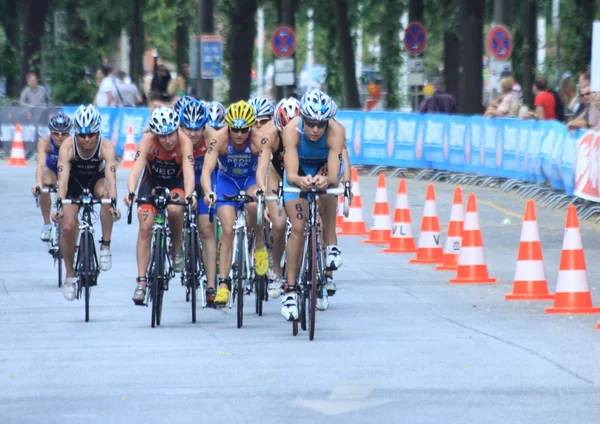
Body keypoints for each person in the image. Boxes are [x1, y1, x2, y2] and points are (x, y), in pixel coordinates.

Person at [279, 89, 345, 321]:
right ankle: (290, 290)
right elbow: (290, 173)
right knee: (297, 228)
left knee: (327, 194)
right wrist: (301, 181)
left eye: (321, 124)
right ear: (302, 119)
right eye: (310, 124)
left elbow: (335, 176)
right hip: (298, 172)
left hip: (324, 169)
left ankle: (330, 244)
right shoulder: (291, 130)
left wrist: (325, 181)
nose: (315, 129)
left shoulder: (336, 131)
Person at [200, 100, 274, 307]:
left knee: (254, 204)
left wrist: (262, 191)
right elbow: (206, 171)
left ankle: (259, 244)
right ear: (229, 127)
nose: (239, 134)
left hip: (250, 179)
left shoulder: (260, 140)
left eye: (244, 130)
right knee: (228, 230)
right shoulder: (219, 139)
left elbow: (263, 170)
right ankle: (223, 284)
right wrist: (208, 192)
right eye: (235, 129)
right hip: (227, 182)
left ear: (250, 127)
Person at [124, 106, 196, 305]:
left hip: (176, 182)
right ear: (155, 134)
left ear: (176, 129)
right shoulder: (147, 141)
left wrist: (189, 195)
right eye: (162, 136)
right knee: (145, 226)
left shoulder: (184, 142)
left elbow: (189, 172)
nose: (167, 140)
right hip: (152, 183)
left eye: (171, 133)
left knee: (174, 209)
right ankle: (141, 282)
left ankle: (177, 247)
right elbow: (136, 170)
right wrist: (130, 191)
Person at [52, 105, 120, 301]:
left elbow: (111, 178)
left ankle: (105, 245)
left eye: (91, 135)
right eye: (82, 136)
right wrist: (59, 205)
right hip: (74, 182)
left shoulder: (106, 147)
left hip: (95, 180)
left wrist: (113, 203)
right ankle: (70, 275)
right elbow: (62, 180)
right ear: (75, 133)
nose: (87, 140)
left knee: (106, 195)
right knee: (67, 227)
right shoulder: (67, 146)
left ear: (98, 132)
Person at [178, 99, 219, 304]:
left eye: (197, 129)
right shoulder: (174, 136)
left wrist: (208, 191)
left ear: (205, 126)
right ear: (180, 125)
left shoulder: (212, 136)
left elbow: (211, 169)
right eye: (188, 128)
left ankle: (211, 285)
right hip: (182, 178)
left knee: (206, 229)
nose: (193, 133)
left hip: (205, 178)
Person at [33, 112, 72, 241]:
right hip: (51, 170)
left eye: (64, 133)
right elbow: (40, 164)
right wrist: (38, 182)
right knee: (44, 183)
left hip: (67, 171)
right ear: (51, 132)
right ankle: (46, 224)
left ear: (69, 132)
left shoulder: (73, 144)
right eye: (56, 133)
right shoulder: (45, 143)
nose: (60, 137)